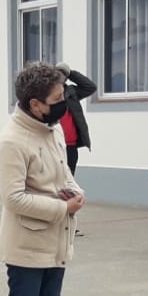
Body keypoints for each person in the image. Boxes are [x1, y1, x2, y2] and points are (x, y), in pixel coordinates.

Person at [0, 63, 83, 296]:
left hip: (56, 240)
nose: (65, 102)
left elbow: (63, 175)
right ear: (35, 104)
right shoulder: (11, 142)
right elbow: (13, 198)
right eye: (58, 97)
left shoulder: (53, 129)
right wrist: (64, 209)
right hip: (27, 245)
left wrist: (75, 192)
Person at [57, 63, 96, 236]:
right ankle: (56, 222)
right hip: (55, 147)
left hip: (71, 147)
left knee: (69, 186)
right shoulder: (46, 95)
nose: (59, 79)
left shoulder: (71, 92)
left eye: (62, 76)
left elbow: (90, 87)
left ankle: (68, 223)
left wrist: (70, 72)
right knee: (55, 185)